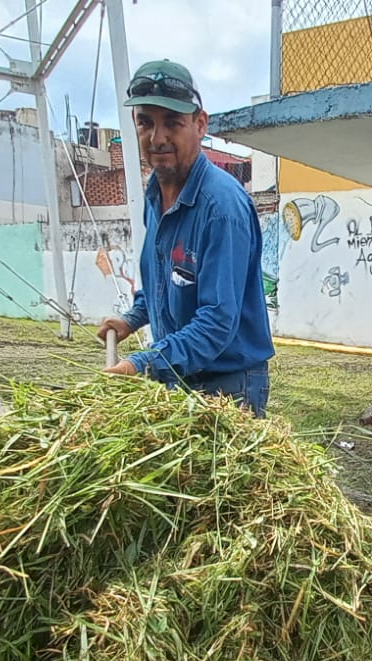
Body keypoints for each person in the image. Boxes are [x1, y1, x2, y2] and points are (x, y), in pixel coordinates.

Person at [97, 60, 274, 416]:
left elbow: (217, 320)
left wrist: (144, 363)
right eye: (146, 122)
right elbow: (167, 281)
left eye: (173, 123)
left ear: (200, 124)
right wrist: (132, 319)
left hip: (227, 386)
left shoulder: (221, 208)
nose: (158, 137)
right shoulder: (156, 196)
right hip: (180, 374)